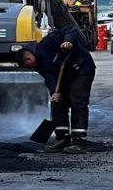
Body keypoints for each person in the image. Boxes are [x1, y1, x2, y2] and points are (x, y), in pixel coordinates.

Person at [21, 24, 96, 153]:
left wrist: (68, 41)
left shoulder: (48, 42)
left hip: (82, 68)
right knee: (58, 102)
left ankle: (78, 141)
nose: (32, 68)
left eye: (29, 65)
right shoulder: (39, 65)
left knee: (77, 101)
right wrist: (54, 93)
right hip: (65, 76)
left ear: (29, 58)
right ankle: (62, 138)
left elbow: (70, 29)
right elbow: (50, 79)